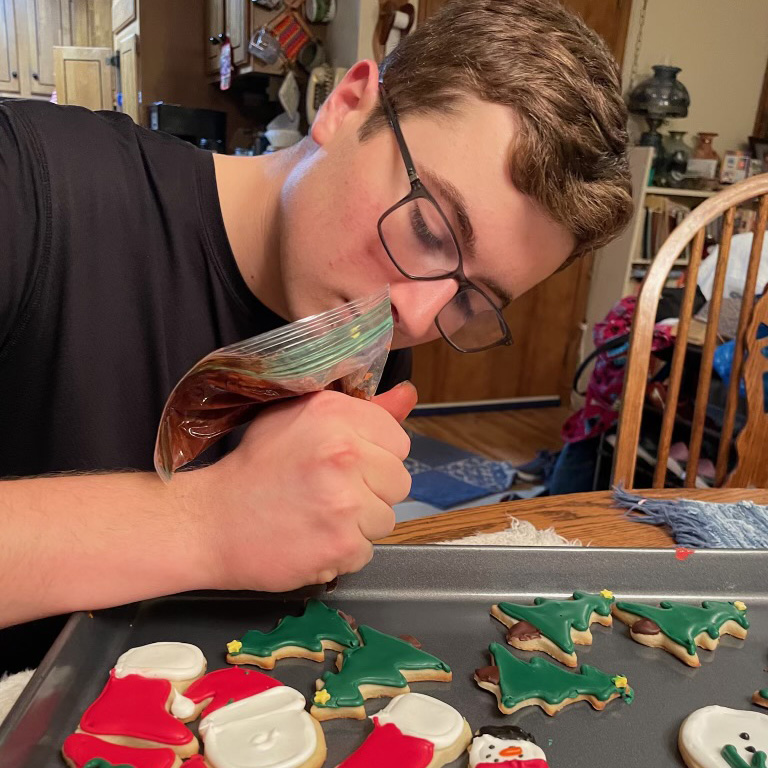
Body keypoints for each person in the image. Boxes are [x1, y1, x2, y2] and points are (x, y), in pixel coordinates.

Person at [0, 0, 632, 667]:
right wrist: (206, 521)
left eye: (471, 297)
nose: (417, 319)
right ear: (346, 104)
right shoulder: (29, 187)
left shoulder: (374, 333)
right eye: (427, 230)